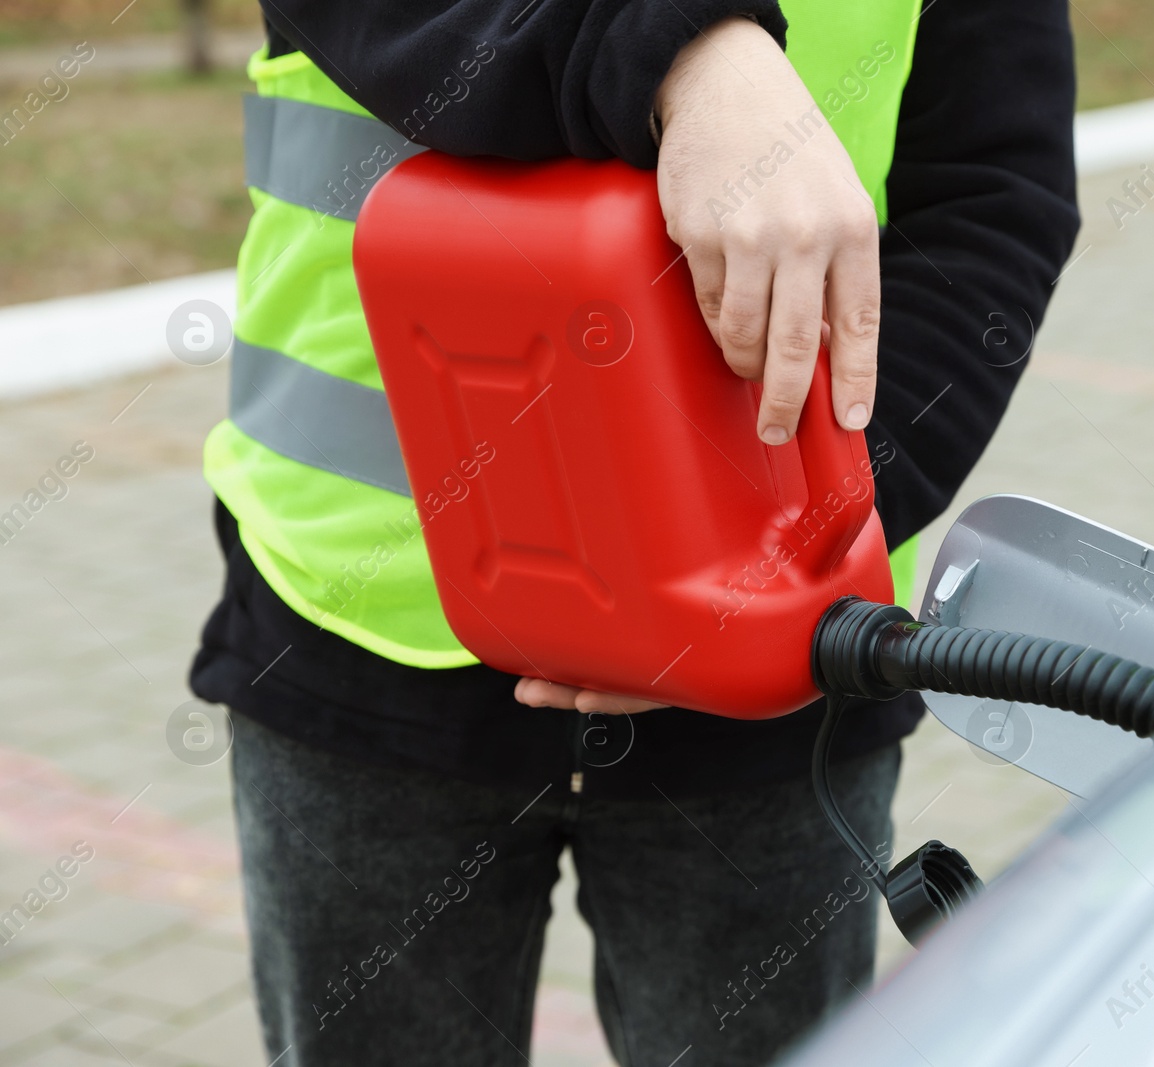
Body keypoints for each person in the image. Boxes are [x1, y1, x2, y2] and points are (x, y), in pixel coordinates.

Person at [190, 1, 1078, 1064]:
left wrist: (797, 531)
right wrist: (684, 52)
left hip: (773, 672)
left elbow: (989, 190)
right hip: (364, 622)